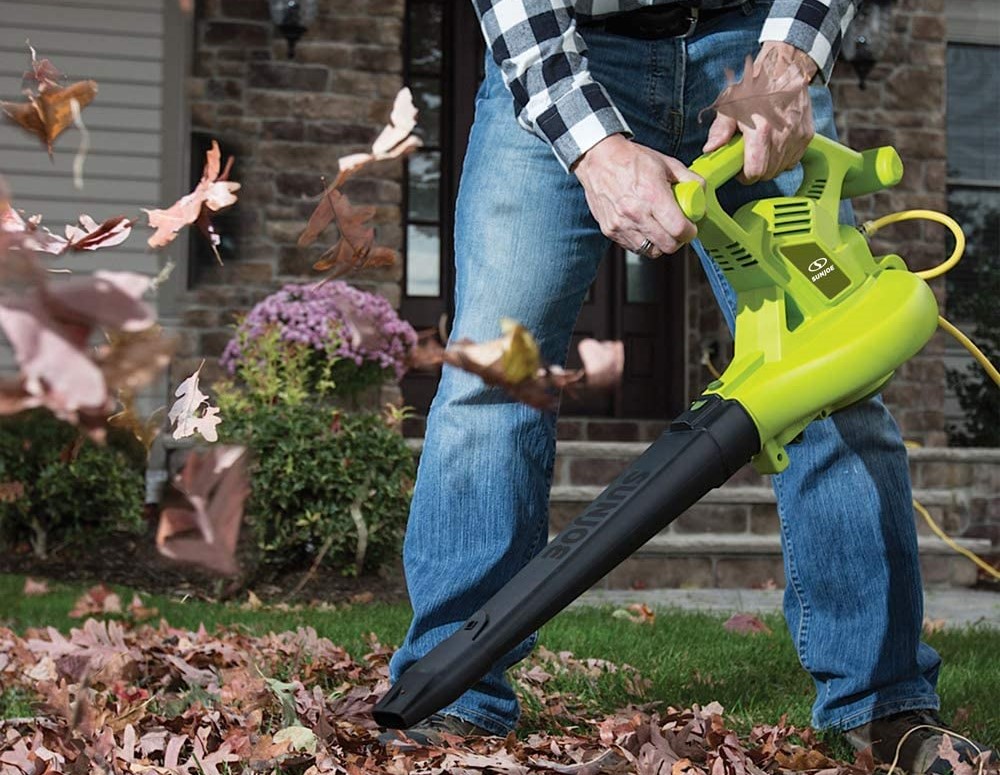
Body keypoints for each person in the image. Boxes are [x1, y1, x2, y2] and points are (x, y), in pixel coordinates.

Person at [385, 1, 989, 771]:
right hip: (569, 53)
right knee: (495, 380)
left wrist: (789, 59)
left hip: (750, 41)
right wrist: (595, 148)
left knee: (834, 371)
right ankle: (451, 697)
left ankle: (883, 707)